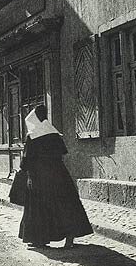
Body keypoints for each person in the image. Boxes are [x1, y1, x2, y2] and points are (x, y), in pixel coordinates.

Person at [19, 104, 93, 248]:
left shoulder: (32, 136)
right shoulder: (53, 133)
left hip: (39, 177)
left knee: (40, 208)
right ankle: (69, 239)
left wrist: (24, 169)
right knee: (65, 205)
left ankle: (40, 239)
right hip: (58, 175)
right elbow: (62, 152)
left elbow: (26, 159)